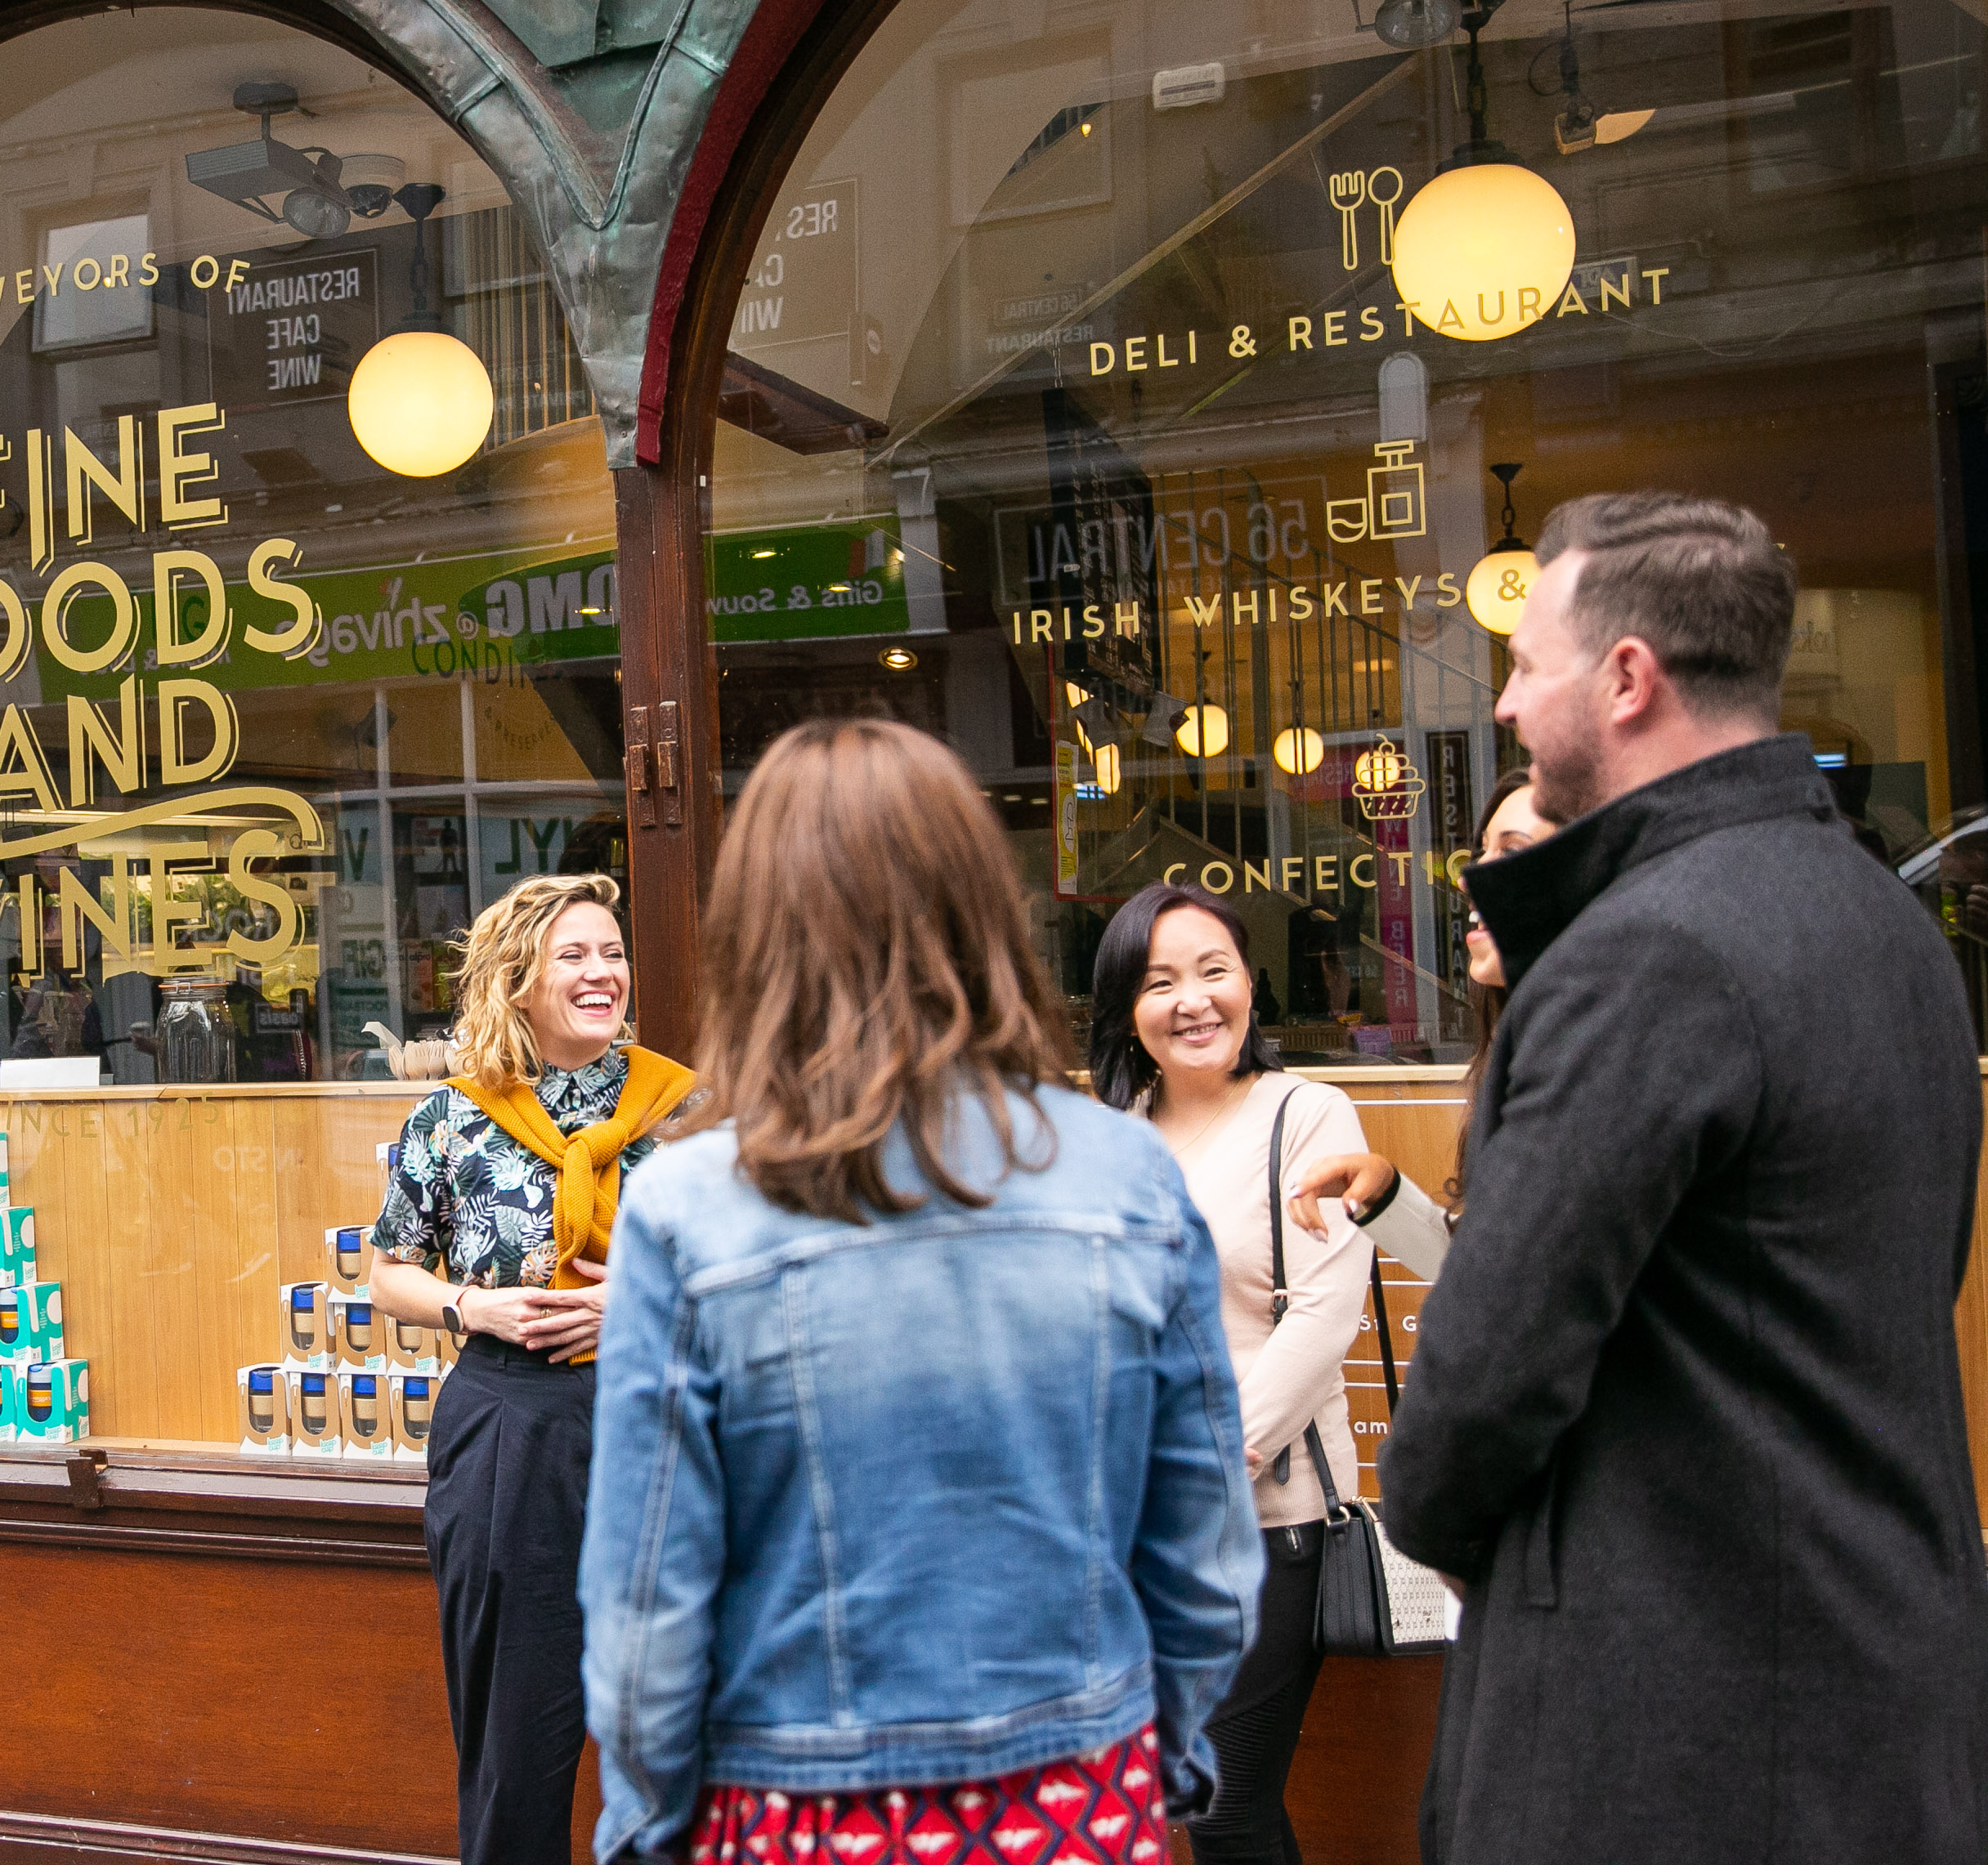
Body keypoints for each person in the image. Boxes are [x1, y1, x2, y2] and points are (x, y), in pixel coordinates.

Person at [1381, 492, 1988, 1863]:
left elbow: (1474, 1398)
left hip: (1671, 1741)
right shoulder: (1888, 926)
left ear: (1629, 678)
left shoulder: (1647, 956)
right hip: (1870, 1704)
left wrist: (1488, 1543)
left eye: (1529, 668)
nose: (1516, 711)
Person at [580, 718, 1260, 1865]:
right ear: (980, 908)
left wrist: (646, 1822)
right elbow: (1200, 1544)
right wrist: (1163, 1750)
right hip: (1076, 1791)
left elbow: (648, 1596)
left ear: (756, 931)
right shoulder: (1124, 1172)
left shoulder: (689, 1208)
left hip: (794, 1803)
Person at [367, 874, 695, 1865]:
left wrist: (635, 1299)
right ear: (519, 981)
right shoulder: (451, 1120)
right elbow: (389, 1273)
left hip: (661, 1415)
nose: (604, 974)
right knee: (518, 1728)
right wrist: (475, 1305)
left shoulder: (685, 1113)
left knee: (677, 1719)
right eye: (575, 956)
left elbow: (738, 1276)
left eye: (613, 954)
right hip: (510, 1424)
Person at [1088, 880, 1374, 1865]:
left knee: (1223, 1803)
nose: (1193, 1000)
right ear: (1127, 1007)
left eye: (1214, 971)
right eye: (1160, 980)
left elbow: (1325, 1315)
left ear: (1251, 983)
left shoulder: (1309, 1115)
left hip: (1260, 1521)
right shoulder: (1109, 1137)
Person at [1285, 769, 1560, 1273]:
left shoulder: (1612, 1067)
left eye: (1513, 852)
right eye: (1480, 852)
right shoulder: (1519, 1053)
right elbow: (1482, 1277)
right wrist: (1384, 1190)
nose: (1468, 876)